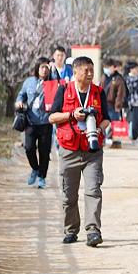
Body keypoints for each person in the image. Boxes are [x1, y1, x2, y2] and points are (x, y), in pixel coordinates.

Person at [48, 56, 111, 247]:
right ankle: (71, 230)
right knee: (69, 194)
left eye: (92, 70)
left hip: (93, 151)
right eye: (86, 70)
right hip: (69, 150)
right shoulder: (64, 90)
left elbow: (107, 119)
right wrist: (71, 115)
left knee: (93, 190)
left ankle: (93, 231)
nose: (90, 74)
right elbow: (52, 117)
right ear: (75, 72)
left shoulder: (99, 92)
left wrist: (99, 128)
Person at [15, 58, 53, 188]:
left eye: (47, 67)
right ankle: (35, 169)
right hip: (31, 122)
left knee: (44, 151)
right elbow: (21, 95)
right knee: (29, 148)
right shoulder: (29, 82)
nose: (45, 69)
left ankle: (42, 177)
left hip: (46, 122)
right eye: (42, 67)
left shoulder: (52, 83)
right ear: (37, 68)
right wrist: (19, 101)